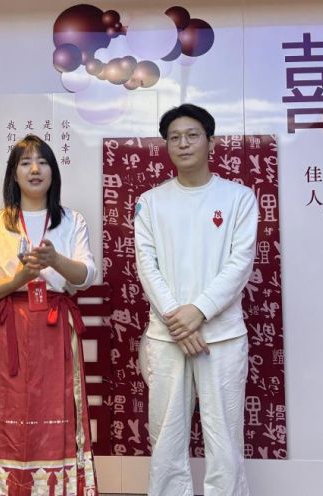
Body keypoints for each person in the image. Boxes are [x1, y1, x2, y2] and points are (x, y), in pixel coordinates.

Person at [0, 134, 98, 496]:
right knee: (3, 412)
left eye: (43, 162)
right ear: (13, 174)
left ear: (53, 171)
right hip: (7, 327)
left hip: (54, 327)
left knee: (56, 410)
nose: (35, 170)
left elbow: (86, 277)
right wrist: (16, 280)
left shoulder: (71, 220)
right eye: (25, 163)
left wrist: (54, 260)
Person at [134, 104, 257, 496]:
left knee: (225, 443)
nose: (183, 143)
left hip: (222, 336)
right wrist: (179, 320)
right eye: (174, 137)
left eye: (192, 135)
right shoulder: (150, 202)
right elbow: (147, 265)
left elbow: (240, 263)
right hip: (167, 336)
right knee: (165, 441)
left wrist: (199, 311)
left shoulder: (239, 198)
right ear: (166, 145)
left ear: (211, 142)